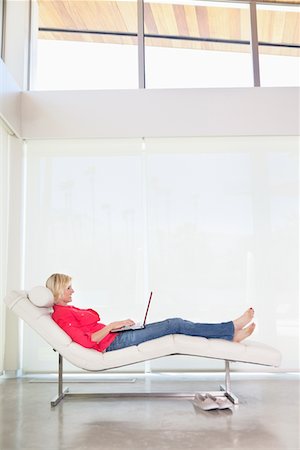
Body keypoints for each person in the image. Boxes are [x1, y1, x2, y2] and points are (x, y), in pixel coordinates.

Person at [47, 273, 256, 353]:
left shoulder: (67, 309)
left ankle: (231, 333)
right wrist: (112, 326)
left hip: (115, 336)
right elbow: (87, 341)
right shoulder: (61, 315)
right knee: (175, 324)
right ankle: (231, 328)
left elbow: (92, 323)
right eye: (68, 288)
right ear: (58, 290)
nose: (73, 291)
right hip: (113, 342)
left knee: (175, 325)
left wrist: (117, 327)